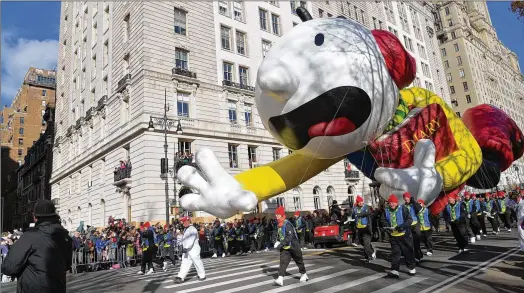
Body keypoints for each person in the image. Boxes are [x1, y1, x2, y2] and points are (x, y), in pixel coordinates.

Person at [1, 199, 73, 293]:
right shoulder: (66, 237)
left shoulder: (29, 237)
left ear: (35, 217)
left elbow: (9, 267)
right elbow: (67, 265)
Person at [381, 194, 416, 278]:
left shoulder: (403, 208)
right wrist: (387, 227)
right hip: (393, 235)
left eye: (393, 202)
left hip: (404, 234)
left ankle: (411, 267)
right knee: (395, 253)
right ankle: (395, 270)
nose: (392, 204)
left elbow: (409, 220)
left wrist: (401, 227)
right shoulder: (386, 210)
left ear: (396, 203)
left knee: (407, 252)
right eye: (390, 203)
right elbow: (383, 220)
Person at [274, 206, 307, 286]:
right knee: (283, 262)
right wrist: (277, 241)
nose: (276, 216)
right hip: (285, 248)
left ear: (281, 215)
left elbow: (289, 237)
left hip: (293, 246)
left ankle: (304, 274)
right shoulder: (279, 224)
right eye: (276, 214)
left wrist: (280, 245)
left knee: (299, 261)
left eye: (277, 214)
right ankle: (280, 279)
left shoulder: (287, 224)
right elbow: (279, 235)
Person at [175, 217, 205, 283]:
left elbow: (191, 239)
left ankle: (202, 275)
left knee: (197, 263)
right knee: (185, 263)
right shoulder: (187, 229)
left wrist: (186, 247)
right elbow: (184, 239)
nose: (182, 223)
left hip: (193, 250)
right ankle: (180, 277)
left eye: (183, 221)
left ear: (188, 221)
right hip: (187, 250)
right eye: (182, 221)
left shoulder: (192, 229)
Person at [352, 195, 375, 263]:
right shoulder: (355, 208)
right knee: (363, 243)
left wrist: (358, 214)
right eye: (359, 202)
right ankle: (372, 251)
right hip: (359, 228)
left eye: (362, 201)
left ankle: (368, 257)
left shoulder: (366, 207)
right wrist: (352, 214)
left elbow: (366, 213)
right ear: (357, 202)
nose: (361, 203)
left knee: (366, 244)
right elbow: (353, 215)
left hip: (366, 228)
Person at [403, 192, 423, 262]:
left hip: (415, 225)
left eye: (407, 198)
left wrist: (413, 201)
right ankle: (413, 256)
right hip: (408, 226)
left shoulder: (413, 205)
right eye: (405, 199)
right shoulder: (403, 206)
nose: (406, 200)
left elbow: (420, 209)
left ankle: (418, 256)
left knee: (416, 241)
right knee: (409, 242)